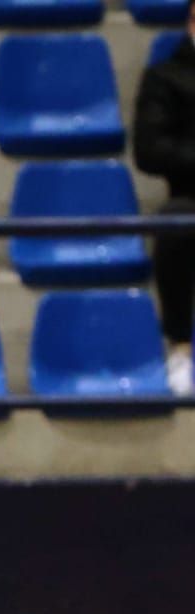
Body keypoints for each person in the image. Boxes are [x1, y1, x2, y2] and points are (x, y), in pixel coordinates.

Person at [133, 7, 195, 397]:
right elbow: (150, 151)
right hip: (191, 197)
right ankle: (181, 348)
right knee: (175, 225)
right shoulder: (165, 77)